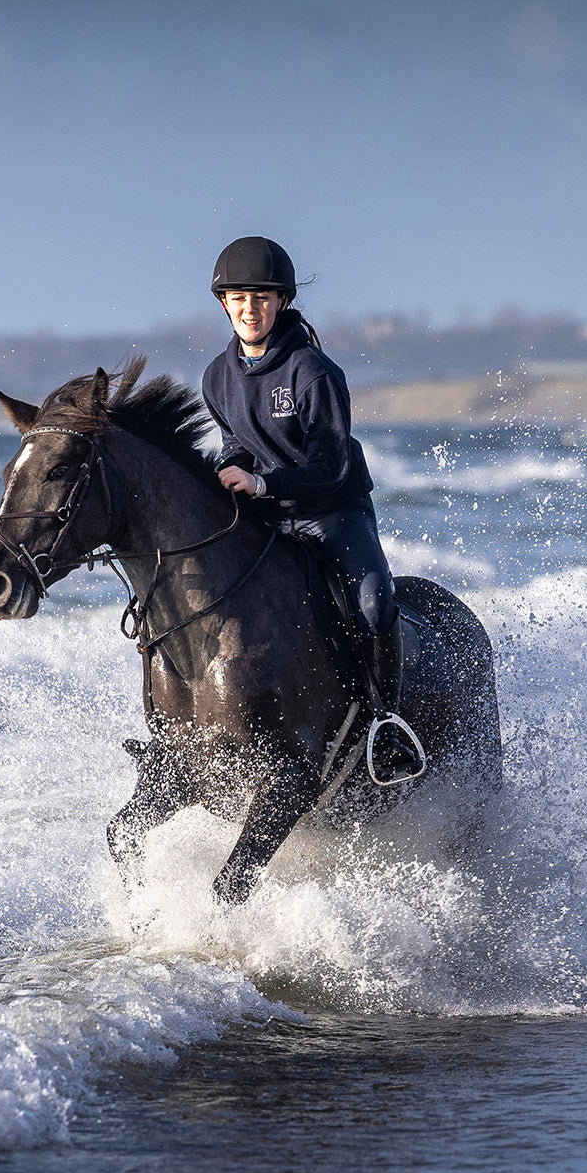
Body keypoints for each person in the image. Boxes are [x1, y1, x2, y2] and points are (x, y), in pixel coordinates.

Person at [201, 235, 426, 785]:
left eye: (260, 298)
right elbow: (234, 443)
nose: (248, 310)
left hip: (331, 511)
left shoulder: (313, 372)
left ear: (280, 301)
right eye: (237, 298)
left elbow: (329, 466)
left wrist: (259, 481)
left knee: (373, 601)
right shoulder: (216, 377)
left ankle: (385, 726)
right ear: (224, 303)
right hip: (270, 513)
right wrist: (231, 475)